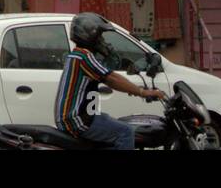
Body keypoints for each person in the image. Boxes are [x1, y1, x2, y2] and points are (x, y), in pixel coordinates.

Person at [54, 13, 162, 149]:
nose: (102, 41)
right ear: (89, 35)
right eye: (100, 36)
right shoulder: (83, 56)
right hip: (77, 119)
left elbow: (109, 77)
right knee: (126, 132)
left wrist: (132, 89)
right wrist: (142, 92)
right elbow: (111, 78)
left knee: (116, 124)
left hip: (79, 117)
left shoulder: (77, 55)